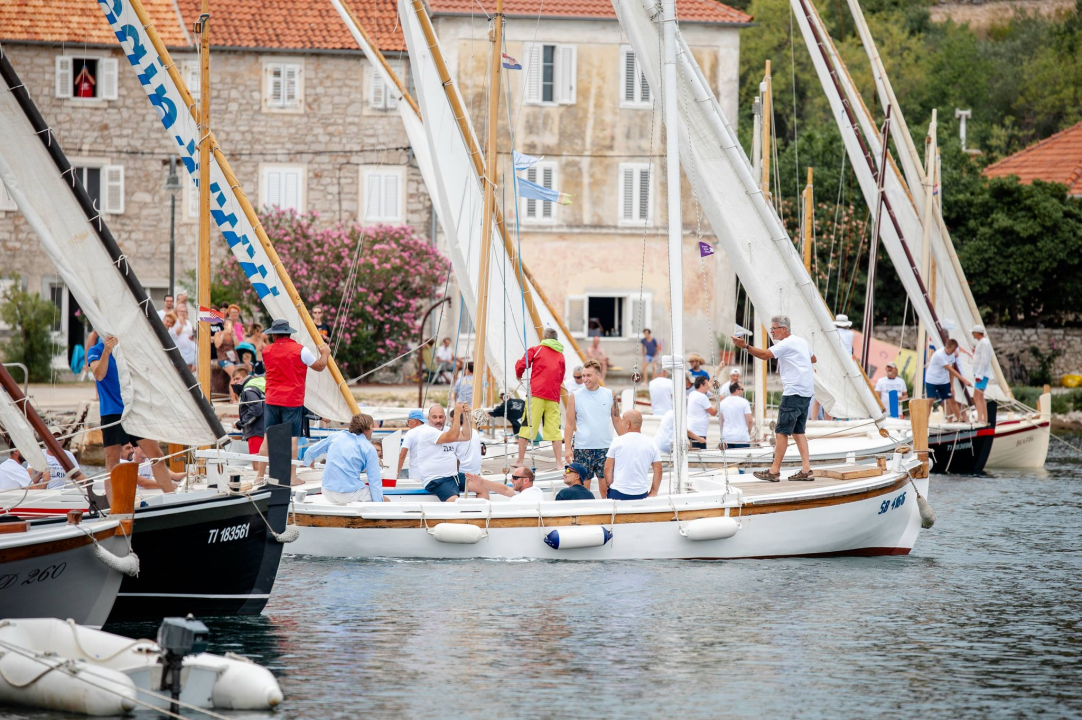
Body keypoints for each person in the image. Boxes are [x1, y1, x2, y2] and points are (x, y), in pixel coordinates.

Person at [88, 333, 178, 498]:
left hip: (135, 410)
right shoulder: (96, 350)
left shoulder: (129, 349)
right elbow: (99, 374)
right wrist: (107, 352)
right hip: (112, 412)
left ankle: (173, 499)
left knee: (156, 454)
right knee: (112, 462)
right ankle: (114, 507)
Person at [732, 315, 816, 482]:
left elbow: (764, 355)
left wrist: (745, 346)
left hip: (793, 392)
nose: (771, 332)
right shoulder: (801, 342)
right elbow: (813, 358)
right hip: (806, 392)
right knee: (798, 431)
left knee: (781, 432)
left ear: (783, 329)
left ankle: (774, 470)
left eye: (773, 329)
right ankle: (806, 469)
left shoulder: (785, 343)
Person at [255, 319, 331, 483]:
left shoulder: (266, 351)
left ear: (274, 335)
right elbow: (319, 366)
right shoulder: (300, 350)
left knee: (268, 437)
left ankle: (259, 477)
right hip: (292, 399)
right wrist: (325, 354)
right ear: (289, 332)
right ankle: (291, 477)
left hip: (272, 398)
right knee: (292, 438)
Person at [563, 359, 623, 489]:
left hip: (605, 447)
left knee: (606, 485)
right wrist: (568, 448)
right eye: (583, 376)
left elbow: (617, 420)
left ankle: (607, 508)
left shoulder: (609, 394)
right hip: (582, 447)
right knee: (583, 485)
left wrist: (627, 442)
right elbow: (569, 424)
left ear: (598, 375)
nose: (585, 379)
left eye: (588, 375)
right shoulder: (574, 396)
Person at [514, 327, 566, 467]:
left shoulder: (537, 349)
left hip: (537, 394)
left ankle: (520, 461)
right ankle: (559, 463)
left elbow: (521, 364)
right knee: (555, 430)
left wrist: (518, 375)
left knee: (527, 426)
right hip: (553, 396)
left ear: (544, 338)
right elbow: (561, 377)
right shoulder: (561, 355)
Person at [401, 403, 472, 502]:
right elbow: (402, 454)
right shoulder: (427, 431)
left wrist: (465, 415)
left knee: (482, 485)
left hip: (452, 476)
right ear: (428, 419)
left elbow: (466, 436)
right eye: (434, 417)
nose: (438, 420)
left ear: (445, 418)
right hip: (436, 479)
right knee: (455, 501)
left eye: (441, 417)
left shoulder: (447, 430)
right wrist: (456, 414)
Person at [312, 413, 387, 504]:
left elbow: (310, 451)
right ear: (365, 429)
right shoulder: (368, 448)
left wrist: (308, 462)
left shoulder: (336, 436)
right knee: (385, 500)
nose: (373, 429)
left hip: (326, 491)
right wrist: (379, 504)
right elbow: (374, 480)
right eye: (372, 426)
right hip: (348, 494)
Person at [602, 410, 662, 500]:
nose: (621, 423)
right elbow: (658, 469)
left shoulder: (617, 442)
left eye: (622, 421)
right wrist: (654, 491)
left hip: (618, 493)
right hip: (641, 494)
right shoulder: (651, 443)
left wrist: (610, 485)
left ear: (628, 424)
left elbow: (607, 468)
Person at [926, 339, 971, 422]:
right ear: (947, 347)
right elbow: (950, 369)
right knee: (930, 400)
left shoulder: (952, 355)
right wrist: (964, 380)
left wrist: (952, 386)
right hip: (932, 379)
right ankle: (925, 421)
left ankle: (959, 420)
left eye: (955, 350)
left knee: (951, 400)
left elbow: (952, 371)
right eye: (953, 350)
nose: (954, 352)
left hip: (943, 380)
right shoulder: (939, 355)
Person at [233, 367, 266, 455]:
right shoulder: (257, 387)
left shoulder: (248, 390)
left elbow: (256, 408)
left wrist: (241, 423)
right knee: (264, 461)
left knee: (256, 461)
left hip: (256, 431)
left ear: (245, 377)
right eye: (234, 379)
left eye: (237, 378)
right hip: (264, 430)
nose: (235, 382)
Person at [465, 467, 544, 503]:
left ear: (526, 480)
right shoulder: (536, 490)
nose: (511, 480)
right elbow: (505, 489)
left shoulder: (517, 500)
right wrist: (482, 482)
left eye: (515, 478)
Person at [717, 382, 753, 449]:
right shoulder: (744, 402)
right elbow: (750, 420)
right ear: (737, 390)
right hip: (742, 437)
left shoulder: (722, 403)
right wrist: (749, 432)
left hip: (727, 437)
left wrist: (722, 433)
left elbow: (721, 421)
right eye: (742, 389)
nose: (743, 391)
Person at [971, 325, 994, 424]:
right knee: (980, 396)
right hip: (982, 373)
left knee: (977, 396)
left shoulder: (984, 342)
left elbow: (984, 360)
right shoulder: (984, 342)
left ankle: (980, 419)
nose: (972, 334)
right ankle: (984, 419)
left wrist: (979, 375)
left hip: (981, 374)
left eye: (973, 332)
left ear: (977, 333)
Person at [686, 376, 717, 450]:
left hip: (692, 429)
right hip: (698, 432)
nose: (708, 387)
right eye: (707, 385)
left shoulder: (692, 394)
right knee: (700, 456)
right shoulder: (702, 397)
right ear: (701, 385)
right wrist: (719, 401)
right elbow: (713, 412)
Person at [396, 409, 427, 478]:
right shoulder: (431, 430)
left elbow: (403, 454)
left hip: (416, 472)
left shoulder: (411, 433)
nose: (408, 424)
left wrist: (396, 473)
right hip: (430, 473)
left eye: (408, 421)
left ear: (415, 421)